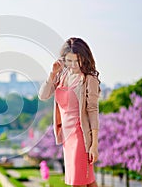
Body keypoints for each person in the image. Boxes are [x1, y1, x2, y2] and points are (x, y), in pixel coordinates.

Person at [38, 37, 100, 187]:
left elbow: (92, 111)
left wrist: (94, 145)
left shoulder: (88, 79)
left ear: (84, 59)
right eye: (69, 61)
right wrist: (52, 74)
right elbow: (43, 95)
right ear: (63, 59)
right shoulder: (61, 75)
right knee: (88, 180)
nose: (73, 65)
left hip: (80, 136)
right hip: (67, 137)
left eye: (77, 61)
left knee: (77, 182)